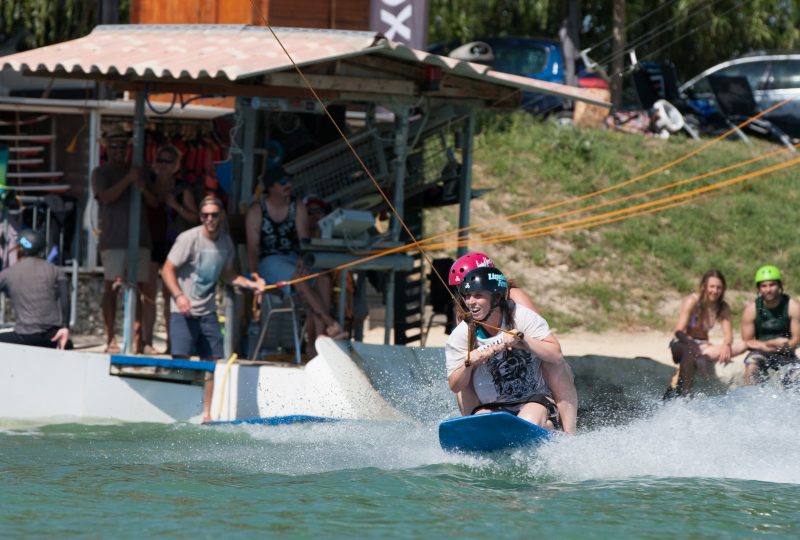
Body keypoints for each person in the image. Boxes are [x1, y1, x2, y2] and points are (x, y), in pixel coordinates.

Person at [448, 252, 577, 434]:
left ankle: (567, 430)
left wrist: (521, 339)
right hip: (496, 392)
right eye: (464, 291)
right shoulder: (464, 319)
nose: (469, 300)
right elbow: (455, 381)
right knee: (465, 374)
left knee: (552, 364)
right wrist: (469, 361)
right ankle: (474, 427)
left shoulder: (516, 303)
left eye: (477, 292)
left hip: (531, 372)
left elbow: (546, 344)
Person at [162, 196, 264, 422]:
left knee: (211, 362)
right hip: (183, 310)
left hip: (207, 311)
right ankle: (180, 413)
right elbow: (167, 270)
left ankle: (206, 415)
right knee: (181, 363)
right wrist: (179, 297)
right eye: (205, 215)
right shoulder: (188, 238)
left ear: (221, 216)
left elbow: (228, 274)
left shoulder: (226, 243)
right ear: (200, 217)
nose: (210, 219)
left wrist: (250, 283)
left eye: (214, 215)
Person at [245, 167, 346, 359]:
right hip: (269, 262)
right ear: (271, 187)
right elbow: (252, 248)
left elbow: (303, 240)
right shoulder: (257, 210)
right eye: (283, 182)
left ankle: (317, 342)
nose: (288, 185)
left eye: (289, 181)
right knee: (300, 280)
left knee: (322, 278)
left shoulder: (297, 206)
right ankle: (329, 324)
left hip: (292, 259)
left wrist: (302, 258)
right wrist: (254, 274)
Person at [92, 127, 152, 353]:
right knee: (112, 288)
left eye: (123, 146)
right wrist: (128, 179)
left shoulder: (140, 171)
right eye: (114, 146)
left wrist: (142, 187)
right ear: (107, 149)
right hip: (114, 239)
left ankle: (136, 338)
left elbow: (154, 202)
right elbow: (106, 197)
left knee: (138, 288)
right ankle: (110, 338)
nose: (119, 151)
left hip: (141, 238)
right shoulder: (100, 172)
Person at [141, 144, 198, 354]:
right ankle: (146, 341)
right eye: (160, 160)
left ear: (176, 165)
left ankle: (171, 343)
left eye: (168, 162)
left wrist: (175, 206)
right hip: (151, 242)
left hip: (173, 246)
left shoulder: (183, 190)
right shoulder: (149, 184)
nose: (163, 165)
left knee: (169, 296)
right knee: (148, 294)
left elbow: (195, 218)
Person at [666, 269, 747, 396]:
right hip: (682, 343)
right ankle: (684, 394)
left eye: (719, 288)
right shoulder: (692, 300)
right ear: (704, 286)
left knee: (744, 345)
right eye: (712, 287)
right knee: (690, 351)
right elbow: (678, 331)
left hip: (704, 347)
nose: (715, 291)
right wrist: (691, 343)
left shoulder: (722, 306)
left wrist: (726, 345)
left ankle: (702, 358)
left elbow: (728, 335)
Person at [0, 229, 72, 350]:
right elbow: (65, 299)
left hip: (23, 337)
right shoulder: (56, 270)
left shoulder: (9, 273)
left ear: (20, 249)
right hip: (53, 338)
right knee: (69, 344)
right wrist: (65, 327)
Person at [740, 265, 800, 385]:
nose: (768, 289)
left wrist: (782, 347)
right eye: (764, 286)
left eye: (772, 285)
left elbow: (797, 339)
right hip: (760, 352)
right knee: (751, 366)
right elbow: (747, 341)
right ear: (759, 289)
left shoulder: (793, 307)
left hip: (786, 352)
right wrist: (769, 345)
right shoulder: (751, 310)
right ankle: (749, 399)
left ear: (779, 286)